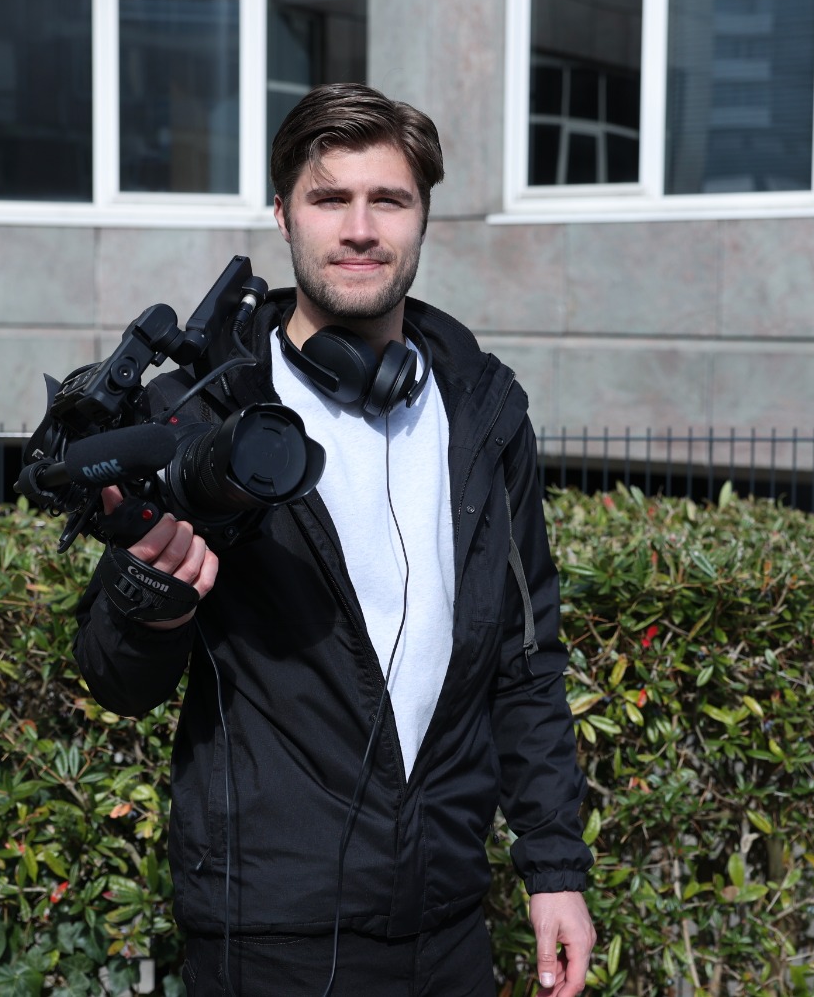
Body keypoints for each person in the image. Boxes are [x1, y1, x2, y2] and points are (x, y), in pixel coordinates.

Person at [72, 83, 595, 997]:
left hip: (448, 922)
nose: (360, 229)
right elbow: (117, 680)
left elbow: (524, 661)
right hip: (271, 934)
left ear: (423, 217)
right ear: (283, 213)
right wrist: (152, 602)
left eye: (388, 199)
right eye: (329, 199)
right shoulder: (201, 413)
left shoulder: (484, 409)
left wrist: (554, 868)